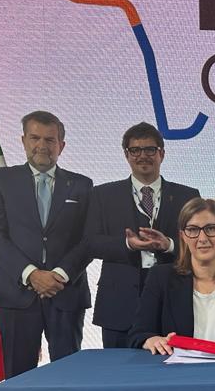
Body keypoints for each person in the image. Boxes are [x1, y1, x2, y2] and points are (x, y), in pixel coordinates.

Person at [0, 110, 92, 378]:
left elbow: (89, 239)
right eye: (35, 138)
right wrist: (31, 274)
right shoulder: (1, 179)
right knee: (19, 378)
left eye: (50, 140)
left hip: (65, 293)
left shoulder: (82, 185)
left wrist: (59, 275)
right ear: (23, 141)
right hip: (15, 295)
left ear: (61, 145)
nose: (42, 145)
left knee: (69, 377)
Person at [86, 122, 200, 348]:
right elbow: (91, 242)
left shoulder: (187, 195)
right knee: (119, 367)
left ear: (162, 154)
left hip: (173, 299)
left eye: (150, 150)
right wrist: (127, 244)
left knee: (175, 365)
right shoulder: (103, 195)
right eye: (135, 150)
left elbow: (201, 242)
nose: (142, 156)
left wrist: (169, 244)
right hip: (119, 303)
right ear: (126, 155)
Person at [129, 198, 215, 353]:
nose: (202, 238)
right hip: (178, 367)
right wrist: (151, 340)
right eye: (193, 230)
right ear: (183, 236)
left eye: (211, 228)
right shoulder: (160, 278)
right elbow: (138, 334)